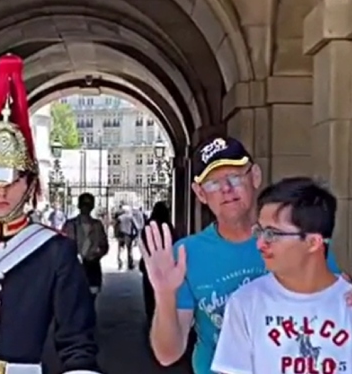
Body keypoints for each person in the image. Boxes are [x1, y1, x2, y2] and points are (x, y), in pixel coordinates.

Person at [143, 136, 346, 374]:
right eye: (213, 184)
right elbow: (168, 354)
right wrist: (165, 294)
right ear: (199, 193)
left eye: (235, 177)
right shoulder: (187, 255)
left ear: (255, 177)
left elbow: (334, 304)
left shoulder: (296, 241)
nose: (226, 190)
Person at [0, 54, 99, 374]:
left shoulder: (54, 251)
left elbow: (76, 342)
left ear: (30, 182)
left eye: (12, 179)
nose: (0, 192)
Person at [211, 177, 352, 374]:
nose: (260, 244)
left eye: (272, 234)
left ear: (313, 242)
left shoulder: (347, 303)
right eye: (259, 231)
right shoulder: (246, 302)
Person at [63, 193, 109, 294]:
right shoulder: (70, 225)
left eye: (88, 204)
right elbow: (63, 246)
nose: (86, 207)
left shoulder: (97, 225)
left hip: (92, 265)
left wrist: (97, 254)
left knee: (92, 295)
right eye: (84, 204)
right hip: (74, 266)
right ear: (79, 205)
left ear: (92, 206)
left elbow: (104, 245)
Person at [114, 205, 137, 270]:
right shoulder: (130, 217)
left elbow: (116, 226)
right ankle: (130, 264)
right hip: (128, 234)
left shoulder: (119, 218)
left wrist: (116, 234)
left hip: (121, 234)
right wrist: (135, 234)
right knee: (129, 250)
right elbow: (135, 226)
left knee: (120, 250)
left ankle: (120, 263)